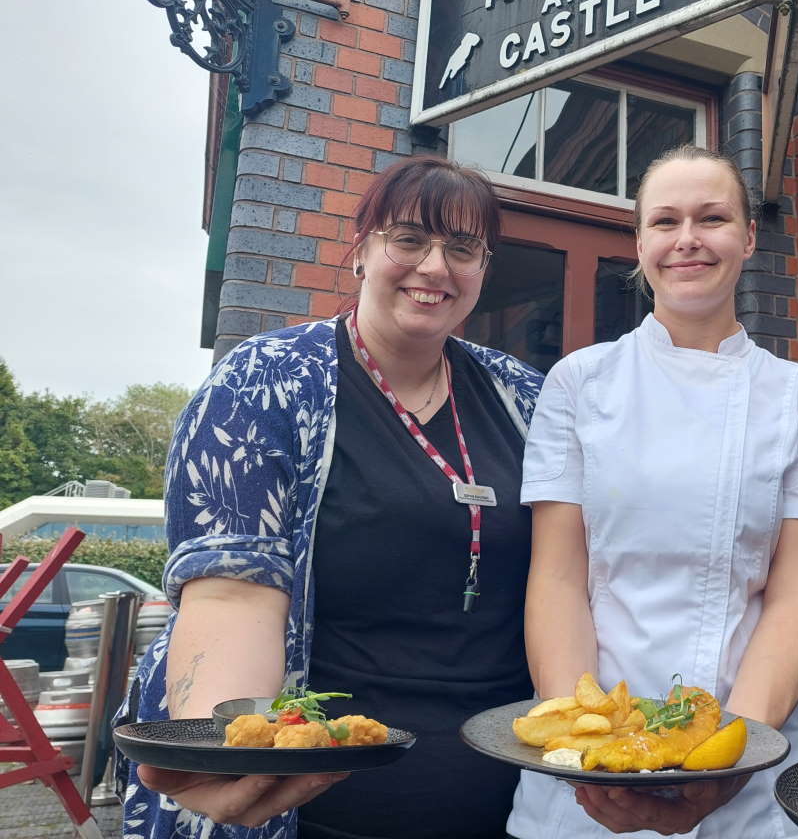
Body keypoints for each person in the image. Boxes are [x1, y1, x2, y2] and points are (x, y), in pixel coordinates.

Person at [116, 155, 544, 839]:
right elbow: (232, 590)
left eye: (462, 249)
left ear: (482, 271)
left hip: (512, 805)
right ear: (363, 250)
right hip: (319, 806)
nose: (435, 267)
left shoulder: (526, 398)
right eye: (409, 239)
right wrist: (233, 749)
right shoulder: (261, 385)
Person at [508, 144, 798, 838]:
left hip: (752, 763)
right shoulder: (578, 384)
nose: (687, 239)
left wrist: (730, 759)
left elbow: (795, 593)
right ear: (639, 243)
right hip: (589, 776)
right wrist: (590, 747)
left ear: (748, 237)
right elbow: (558, 580)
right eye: (665, 221)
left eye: (712, 217)